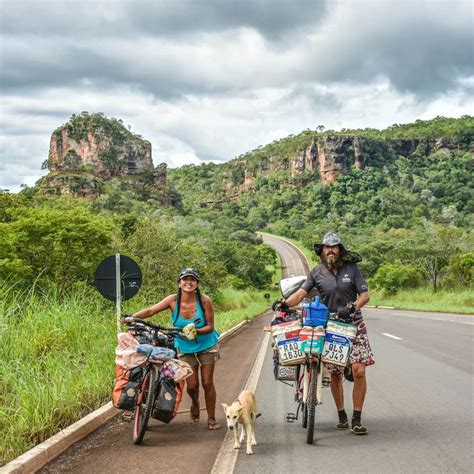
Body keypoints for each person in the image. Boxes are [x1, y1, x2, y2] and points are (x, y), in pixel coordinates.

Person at [278, 232, 374, 435]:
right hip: (329, 325)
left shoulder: (352, 269)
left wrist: (353, 307)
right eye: (326, 247)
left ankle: (356, 419)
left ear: (340, 250)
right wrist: (284, 303)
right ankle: (342, 415)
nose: (330, 250)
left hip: (353, 323)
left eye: (334, 247)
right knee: (336, 374)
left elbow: (365, 295)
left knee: (359, 371)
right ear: (322, 251)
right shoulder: (316, 272)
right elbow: (301, 293)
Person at [130, 267, 221, 430]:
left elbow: (210, 326)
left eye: (192, 279)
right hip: (185, 346)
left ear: (197, 283)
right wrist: (132, 317)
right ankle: (195, 402)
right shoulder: (172, 300)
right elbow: (151, 310)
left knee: (207, 382)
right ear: (179, 283)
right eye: (185, 279)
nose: (189, 282)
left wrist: (196, 331)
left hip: (207, 344)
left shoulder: (204, 300)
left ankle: (212, 418)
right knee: (192, 385)